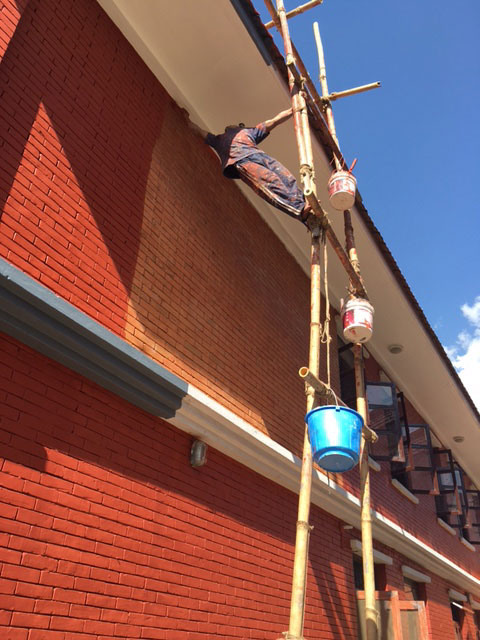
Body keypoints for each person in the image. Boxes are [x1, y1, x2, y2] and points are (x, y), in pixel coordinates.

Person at [183, 105, 312, 225]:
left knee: (286, 177)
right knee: (270, 183)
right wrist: (188, 120)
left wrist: (292, 110)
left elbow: (274, 121)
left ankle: (303, 202)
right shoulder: (219, 140)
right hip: (242, 162)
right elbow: (200, 131)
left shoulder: (249, 132)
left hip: (260, 156)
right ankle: (300, 211)